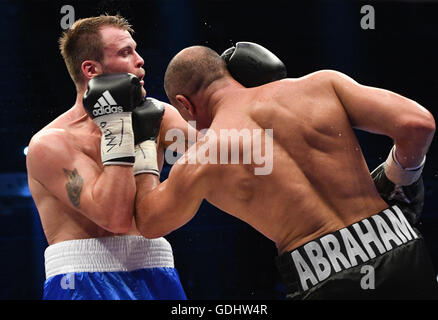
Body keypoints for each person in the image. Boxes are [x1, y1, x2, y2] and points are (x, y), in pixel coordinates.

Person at [134, 45, 438, 299]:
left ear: (184, 105)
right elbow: (417, 124)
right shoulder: (321, 84)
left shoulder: (203, 158)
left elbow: (149, 223)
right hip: (399, 245)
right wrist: (399, 178)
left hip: (322, 276)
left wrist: (145, 143)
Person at [26, 15, 194, 300]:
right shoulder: (51, 144)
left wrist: (233, 96)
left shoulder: (160, 117)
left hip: (158, 272)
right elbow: (114, 217)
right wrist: (119, 128)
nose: (140, 60)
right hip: (81, 282)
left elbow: (224, 160)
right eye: (125, 53)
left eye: (136, 50)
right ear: (91, 69)